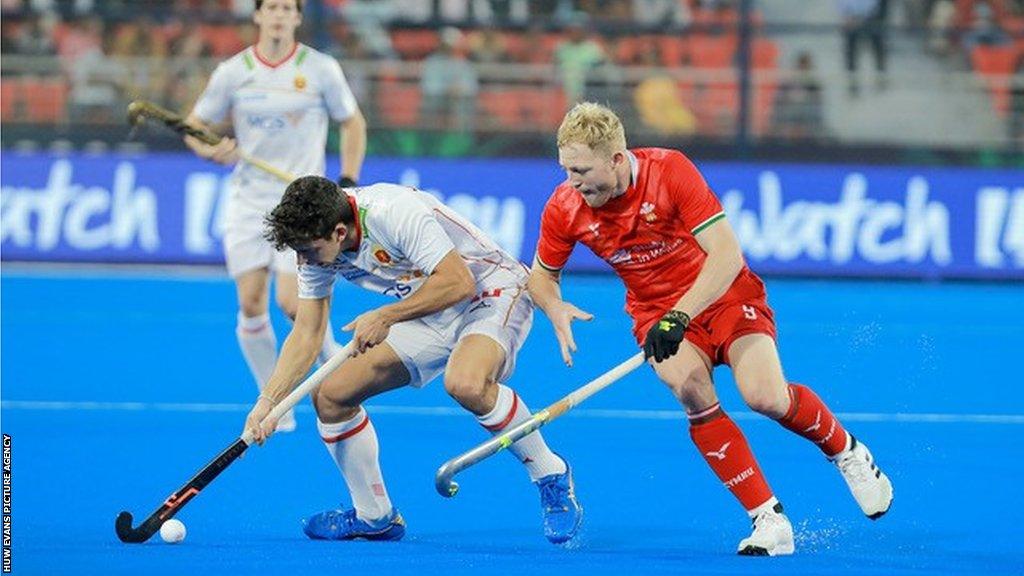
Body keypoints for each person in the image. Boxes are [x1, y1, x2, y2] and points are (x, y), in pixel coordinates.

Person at [527, 102, 894, 556]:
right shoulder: (565, 206)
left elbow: (725, 255)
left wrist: (679, 315)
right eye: (565, 170)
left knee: (765, 397)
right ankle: (767, 520)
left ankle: (846, 452)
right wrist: (553, 305)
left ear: (616, 159)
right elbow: (541, 276)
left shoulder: (669, 171)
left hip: (724, 295)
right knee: (690, 389)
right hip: (653, 312)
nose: (572, 181)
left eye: (581, 169)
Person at [242, 176, 584, 544]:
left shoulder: (393, 212)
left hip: (489, 290)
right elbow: (308, 332)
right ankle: (375, 517)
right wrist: (269, 401)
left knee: (466, 384)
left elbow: (459, 283)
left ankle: (550, 474)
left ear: (340, 232)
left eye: (308, 251)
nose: (303, 261)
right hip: (427, 307)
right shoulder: (315, 244)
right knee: (331, 395)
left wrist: (387, 316)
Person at [184, 0, 367, 431]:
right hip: (248, 201)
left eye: (289, 8)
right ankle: (274, 404)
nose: (281, 14)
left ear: (298, 17)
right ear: (259, 16)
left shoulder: (321, 69)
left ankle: (332, 367)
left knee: (290, 302)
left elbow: (353, 122)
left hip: (301, 202)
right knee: (250, 303)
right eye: (273, 7)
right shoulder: (234, 71)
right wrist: (213, 149)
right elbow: (194, 124)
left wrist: (347, 179)